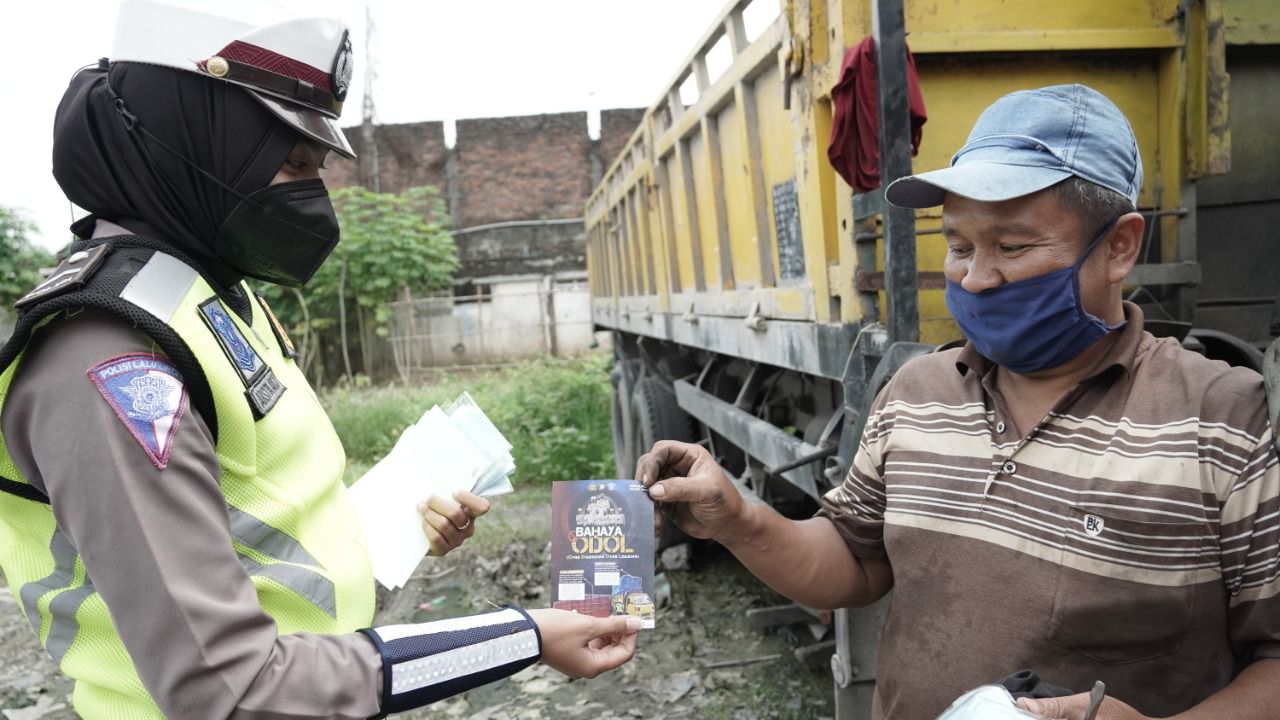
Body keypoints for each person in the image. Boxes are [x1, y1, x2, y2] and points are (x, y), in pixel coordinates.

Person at [0, 2, 637, 718]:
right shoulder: (112, 356)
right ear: (198, 142)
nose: (314, 194)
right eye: (293, 163)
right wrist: (520, 636)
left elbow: (263, 523)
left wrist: (397, 529)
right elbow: (233, 690)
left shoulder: (217, 299)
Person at [638, 84, 1280, 720]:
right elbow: (856, 562)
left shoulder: (1222, 418)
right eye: (958, 246)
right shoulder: (916, 394)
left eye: (1012, 247)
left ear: (1118, 247)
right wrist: (740, 522)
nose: (975, 277)